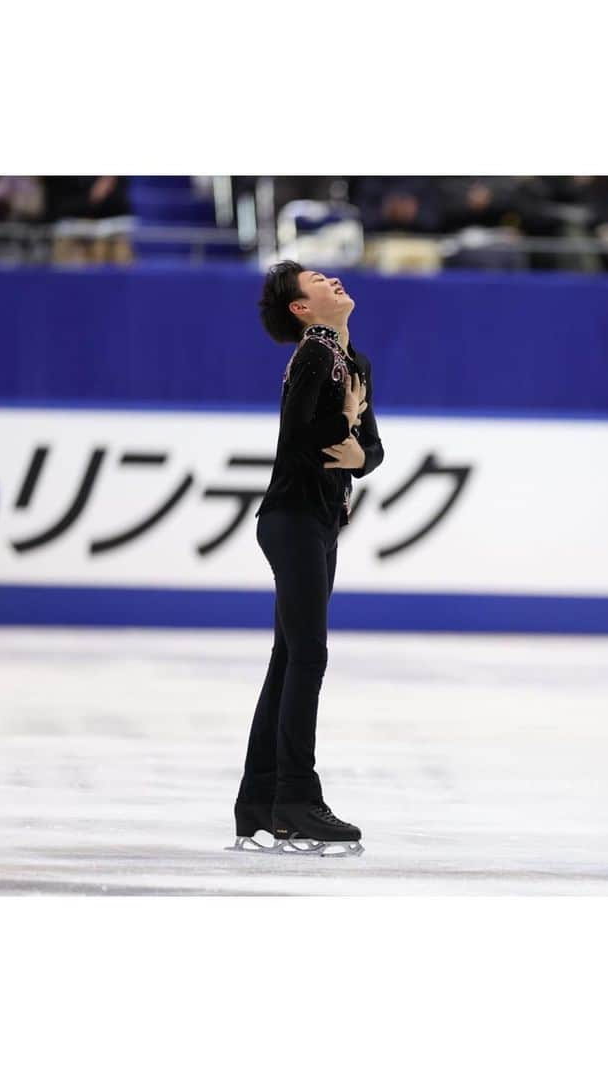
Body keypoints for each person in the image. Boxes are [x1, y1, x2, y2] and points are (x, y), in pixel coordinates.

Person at [232, 260, 384, 855]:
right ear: (302, 309)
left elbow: (371, 447)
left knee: (290, 658)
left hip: (320, 522)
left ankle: (260, 804)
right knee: (308, 655)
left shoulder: (354, 361)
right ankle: (296, 795)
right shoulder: (316, 352)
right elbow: (300, 435)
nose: (333, 282)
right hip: (292, 517)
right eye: (317, 282)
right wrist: (345, 421)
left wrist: (358, 454)